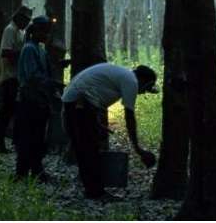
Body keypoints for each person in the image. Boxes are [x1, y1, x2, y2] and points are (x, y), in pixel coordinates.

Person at [62, 63, 159, 200]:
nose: (143, 92)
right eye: (147, 88)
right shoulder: (131, 81)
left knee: (85, 148)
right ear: (143, 80)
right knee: (89, 149)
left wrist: (96, 123)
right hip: (79, 104)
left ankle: (91, 189)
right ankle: (96, 192)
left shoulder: (123, 75)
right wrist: (138, 149)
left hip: (75, 102)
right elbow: (129, 117)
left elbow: (94, 92)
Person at [13, 15, 59, 182]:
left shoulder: (40, 50)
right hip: (29, 101)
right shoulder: (29, 49)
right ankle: (21, 173)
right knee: (28, 137)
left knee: (38, 138)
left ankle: (36, 170)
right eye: (45, 31)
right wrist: (52, 83)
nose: (48, 35)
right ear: (37, 31)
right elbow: (33, 77)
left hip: (40, 101)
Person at [0, 5, 32, 153]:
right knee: (6, 111)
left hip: (15, 76)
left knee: (13, 111)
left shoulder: (19, 32)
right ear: (19, 18)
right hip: (8, 76)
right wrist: (24, 55)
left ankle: (10, 140)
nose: (27, 23)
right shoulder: (10, 30)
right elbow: (6, 52)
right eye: (26, 19)